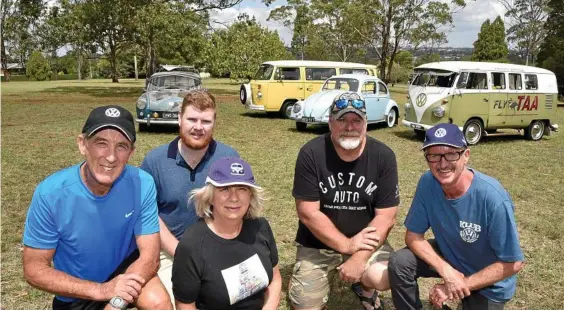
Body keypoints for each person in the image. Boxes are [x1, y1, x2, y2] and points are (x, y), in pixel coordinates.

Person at [22, 105, 172, 310]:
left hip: (126, 271)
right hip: (77, 290)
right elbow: (34, 269)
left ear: (131, 152)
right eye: (101, 143)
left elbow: (150, 257)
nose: (111, 157)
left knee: (159, 303)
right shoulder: (51, 194)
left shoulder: (142, 183)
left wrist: (116, 302)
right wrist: (102, 291)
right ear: (82, 144)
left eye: (121, 146)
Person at [388, 123, 524, 310]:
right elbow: (413, 236)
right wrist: (447, 272)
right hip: (452, 254)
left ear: (466, 156)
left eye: (451, 154)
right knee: (400, 262)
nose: (442, 164)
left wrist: (459, 284)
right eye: (434, 156)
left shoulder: (492, 197)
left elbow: (513, 263)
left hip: (489, 283)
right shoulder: (428, 182)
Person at [288, 92, 400, 310]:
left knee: (385, 276)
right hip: (317, 245)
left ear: (365, 123)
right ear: (330, 122)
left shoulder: (383, 156)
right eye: (342, 119)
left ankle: (365, 288)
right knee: (303, 304)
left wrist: (359, 257)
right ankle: (310, 276)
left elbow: (386, 216)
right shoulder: (311, 153)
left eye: (356, 120)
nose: (350, 126)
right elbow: (307, 213)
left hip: (367, 244)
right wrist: (347, 245)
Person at [140, 89, 239, 301]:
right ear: (179, 119)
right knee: (176, 301)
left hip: (218, 247)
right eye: (192, 119)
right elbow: (149, 215)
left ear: (214, 122)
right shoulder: (154, 161)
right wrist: (181, 253)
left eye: (205, 121)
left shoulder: (228, 157)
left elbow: (239, 208)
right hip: (169, 252)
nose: (198, 127)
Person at [171, 157, 282, 310]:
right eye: (224, 189)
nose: (234, 198)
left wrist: (269, 307)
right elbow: (185, 305)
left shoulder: (260, 227)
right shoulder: (192, 245)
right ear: (210, 196)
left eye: (242, 189)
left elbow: (275, 278)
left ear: (250, 195)